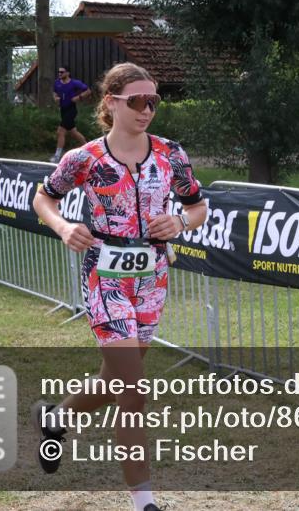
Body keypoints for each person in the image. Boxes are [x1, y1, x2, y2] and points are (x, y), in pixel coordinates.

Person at [32, 62, 208, 511]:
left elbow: (198, 206)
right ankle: (143, 501)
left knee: (115, 379)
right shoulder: (85, 158)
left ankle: (56, 418)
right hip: (104, 279)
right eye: (137, 101)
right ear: (111, 102)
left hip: (152, 279)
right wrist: (63, 226)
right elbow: (44, 197)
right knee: (133, 388)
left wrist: (181, 222)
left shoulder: (171, 154)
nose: (147, 109)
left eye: (154, 101)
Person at [51, 67, 91, 162]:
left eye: (62, 72)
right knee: (73, 132)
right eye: (59, 72)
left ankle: (57, 156)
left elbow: (88, 91)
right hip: (63, 110)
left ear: (68, 73)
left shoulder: (74, 83)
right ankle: (89, 150)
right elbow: (54, 92)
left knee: (60, 131)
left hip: (71, 109)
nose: (59, 74)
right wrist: (55, 98)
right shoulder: (57, 83)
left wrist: (79, 97)